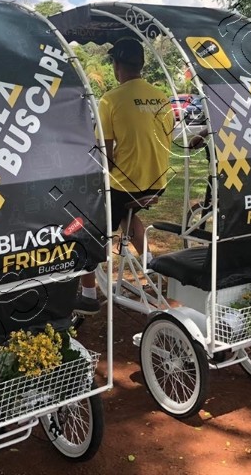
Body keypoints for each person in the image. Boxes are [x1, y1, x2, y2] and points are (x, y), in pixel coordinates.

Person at [75, 37, 174, 314]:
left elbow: (104, 156)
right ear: (141, 64)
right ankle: (150, 264)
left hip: (126, 185)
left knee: (85, 229)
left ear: (116, 66)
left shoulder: (111, 99)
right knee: (126, 216)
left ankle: (88, 295)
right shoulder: (161, 96)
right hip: (157, 182)